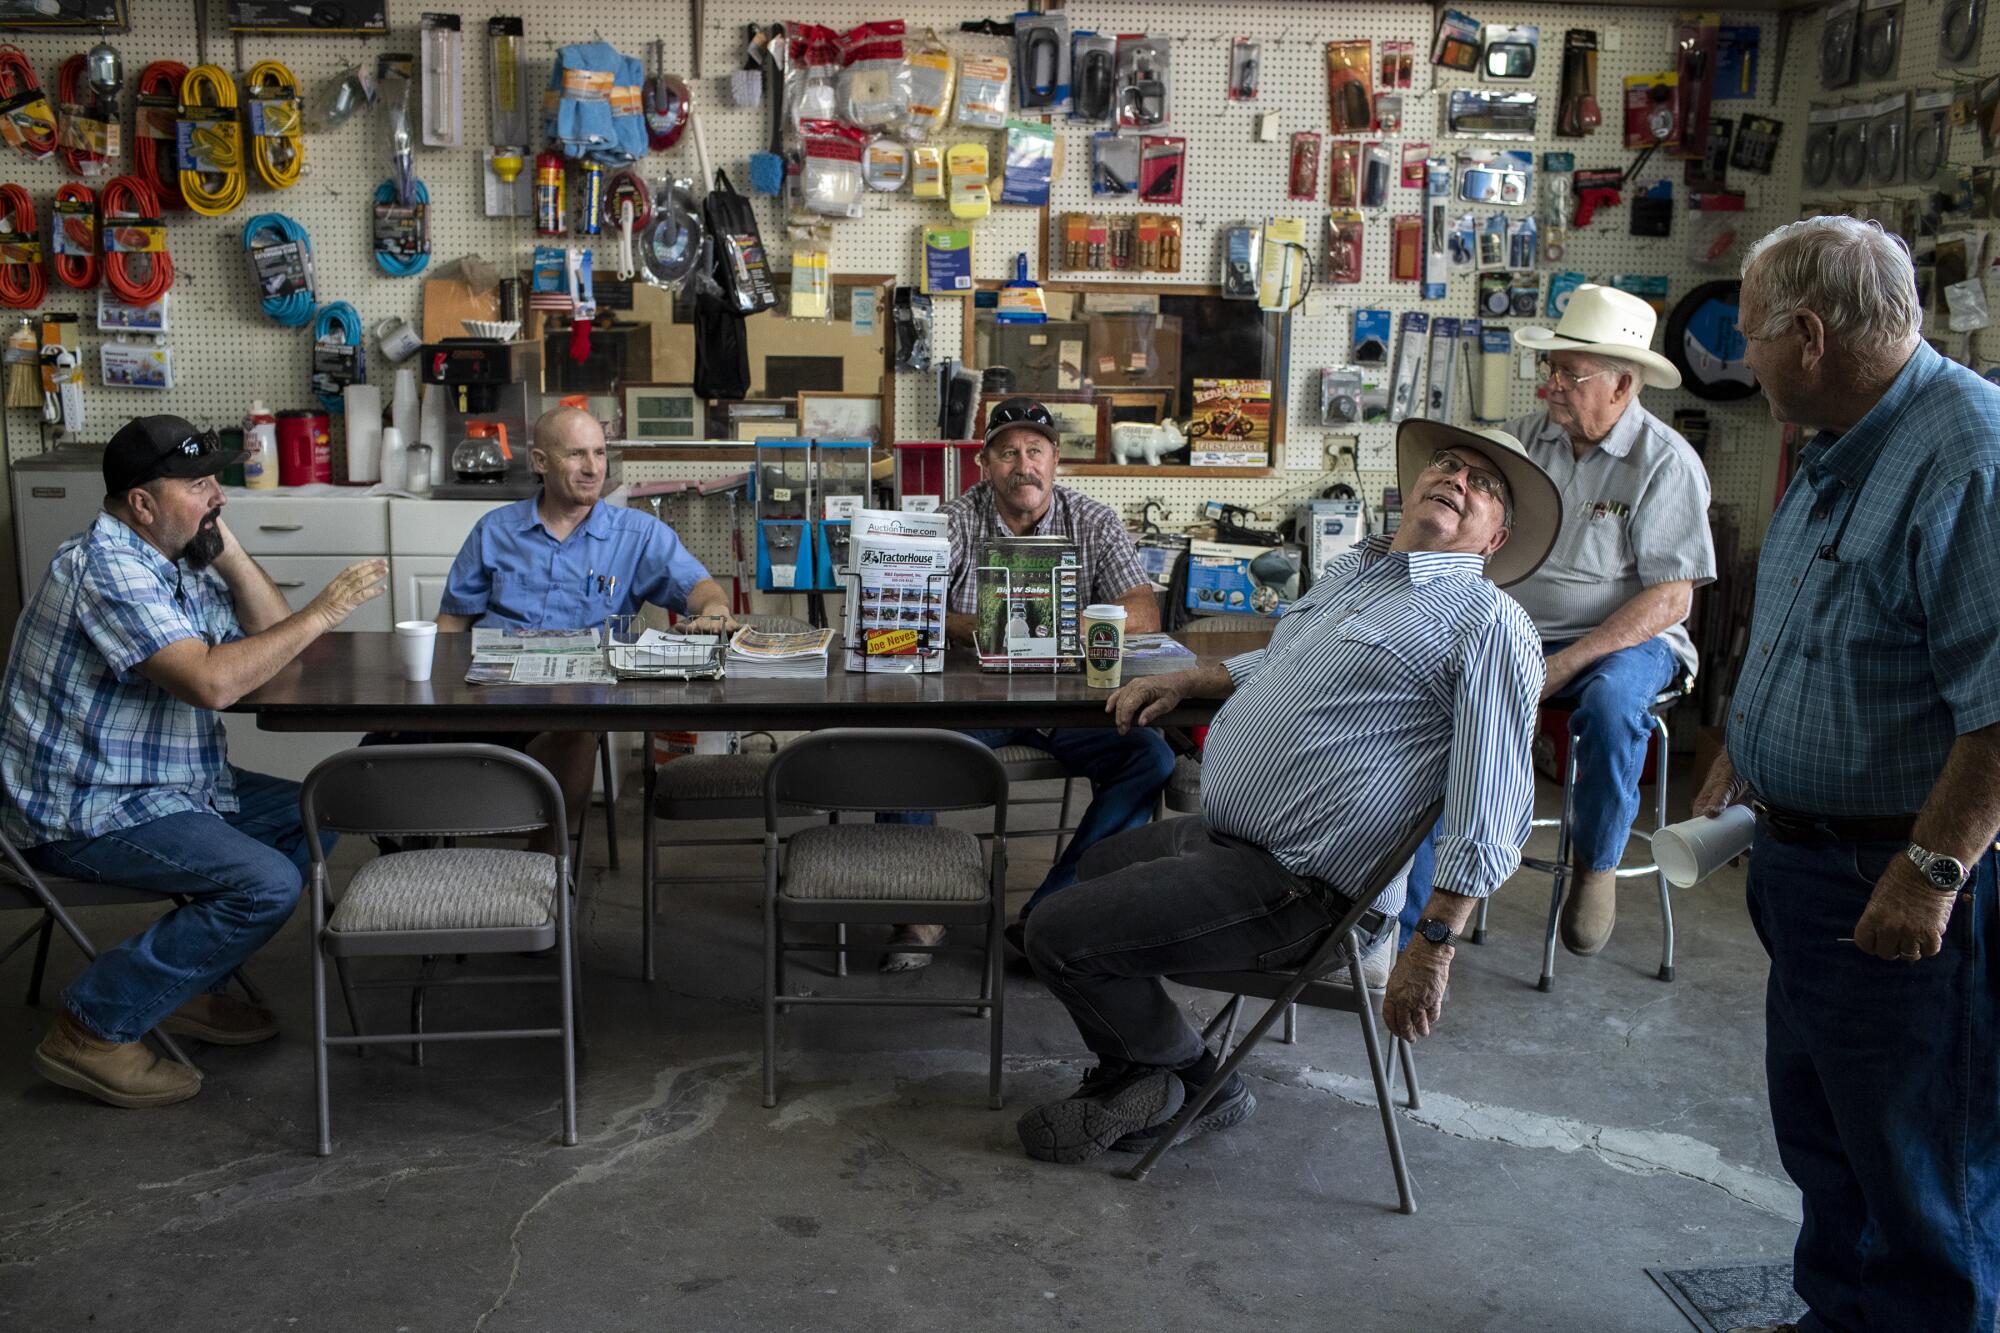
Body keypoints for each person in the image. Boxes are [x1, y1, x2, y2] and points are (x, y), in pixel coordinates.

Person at [1014, 420, 1559, 1164]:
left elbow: (1491, 800)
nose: (1460, 479)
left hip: (1306, 889)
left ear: (1495, 540)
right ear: (1412, 489)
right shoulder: (1353, 575)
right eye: (1449, 465)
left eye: (1484, 485)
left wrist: (1433, 946)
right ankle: (1150, 1071)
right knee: (1102, 869)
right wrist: (1183, 679)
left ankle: (1188, 1081)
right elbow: (1273, 664)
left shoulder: (1489, 622)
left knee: (1054, 929)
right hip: (1230, 842)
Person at [1693, 217, 2000, 1333]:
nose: (1742, 352)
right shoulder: (1837, 435)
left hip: (1894, 872)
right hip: (1805, 862)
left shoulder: (1965, 456)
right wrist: (1745, 739)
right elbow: (1813, 624)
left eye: (1749, 332)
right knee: (1829, 1139)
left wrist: (1928, 873)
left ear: (1807, 335)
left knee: (1922, 1167)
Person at [0, 414, 385, 1108]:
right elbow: (212, 681)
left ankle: (178, 986)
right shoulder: (108, 568)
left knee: (313, 819)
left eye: (218, 480)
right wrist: (327, 607)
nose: (219, 496)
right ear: (142, 504)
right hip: (85, 805)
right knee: (265, 883)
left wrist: (231, 553)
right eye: (200, 484)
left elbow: (274, 648)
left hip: (166, 784)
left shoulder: (171, 560)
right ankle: (93, 1025)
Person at [1396, 286, 1715, 959]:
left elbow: (1670, 600)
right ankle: (1408, 914)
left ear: (1623, 385)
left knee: (1608, 705)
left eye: (1571, 375)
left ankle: (1595, 865)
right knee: (1430, 702)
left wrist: (1566, 663)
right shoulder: (1524, 441)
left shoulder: (1664, 462)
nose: (1553, 387)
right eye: (1553, 371)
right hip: (1521, 625)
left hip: (1630, 637)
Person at [879, 396, 1173, 972]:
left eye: (1034, 451)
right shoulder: (953, 520)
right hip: (971, 701)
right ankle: (919, 910)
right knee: (902, 740)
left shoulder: (1094, 521)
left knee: (1149, 759)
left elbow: (1143, 613)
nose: (1023, 465)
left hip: (1070, 704)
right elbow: (904, 611)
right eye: (1008, 452)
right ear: (985, 464)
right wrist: (989, 628)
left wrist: (1062, 628)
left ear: (1055, 460)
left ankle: (1053, 912)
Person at [409, 405, 736, 822]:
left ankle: (546, 868)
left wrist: (716, 610)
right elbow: (453, 623)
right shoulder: (494, 531)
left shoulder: (637, 535)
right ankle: (429, 850)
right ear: (541, 462)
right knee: (390, 741)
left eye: (599, 454)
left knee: (578, 730)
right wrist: (428, 697)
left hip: (575, 703)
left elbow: (700, 589)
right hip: (489, 696)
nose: (592, 468)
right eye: (577, 454)